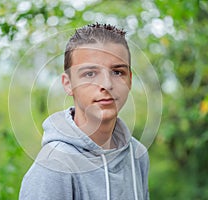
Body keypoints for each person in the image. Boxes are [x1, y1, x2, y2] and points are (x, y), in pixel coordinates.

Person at [19, 23, 150, 200]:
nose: (107, 84)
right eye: (90, 74)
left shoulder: (137, 155)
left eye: (118, 72)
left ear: (130, 80)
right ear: (68, 84)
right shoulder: (53, 166)